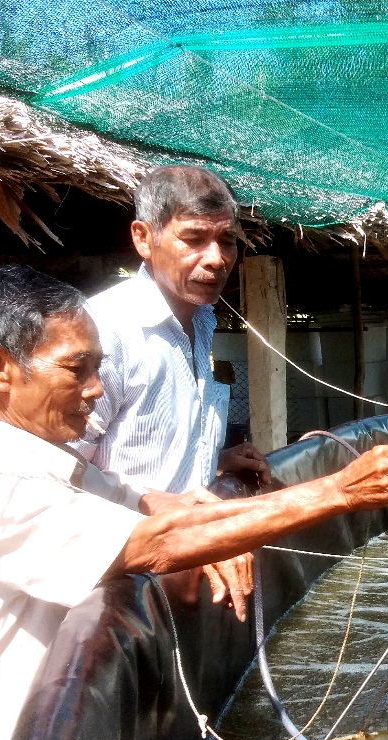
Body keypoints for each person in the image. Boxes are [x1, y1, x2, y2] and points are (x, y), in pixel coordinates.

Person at [0, 265, 388, 740]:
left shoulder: (55, 461)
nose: (97, 389)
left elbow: (159, 505)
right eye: (77, 369)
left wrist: (218, 519)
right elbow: (156, 541)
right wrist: (338, 490)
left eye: (98, 367)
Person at [76, 165, 267, 495]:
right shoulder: (106, 332)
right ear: (144, 239)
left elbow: (141, 451)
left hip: (187, 540)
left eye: (227, 240)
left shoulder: (202, 319)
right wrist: (155, 512)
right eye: (194, 239)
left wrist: (213, 460)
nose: (217, 259)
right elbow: (56, 469)